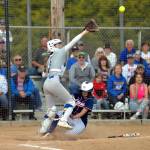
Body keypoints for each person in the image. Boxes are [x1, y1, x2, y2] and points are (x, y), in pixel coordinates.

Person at [43, 20, 98, 128]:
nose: (60, 45)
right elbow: (73, 42)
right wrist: (85, 32)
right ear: (53, 46)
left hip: (46, 83)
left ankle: (43, 129)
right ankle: (63, 120)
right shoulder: (58, 52)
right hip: (54, 81)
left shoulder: (51, 57)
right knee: (71, 102)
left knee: (51, 110)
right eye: (58, 44)